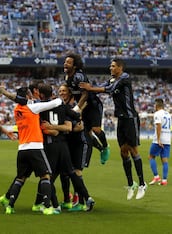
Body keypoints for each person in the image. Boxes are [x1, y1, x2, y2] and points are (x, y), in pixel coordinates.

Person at [79, 58, 147, 200]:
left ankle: (142, 184)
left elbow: (108, 89)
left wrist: (90, 88)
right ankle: (131, 184)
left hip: (130, 118)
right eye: (110, 65)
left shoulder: (124, 78)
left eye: (113, 66)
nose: (110, 68)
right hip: (121, 119)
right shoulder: (112, 80)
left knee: (133, 150)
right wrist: (86, 90)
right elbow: (100, 89)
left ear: (120, 68)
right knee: (123, 151)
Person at [0, 83, 62, 215]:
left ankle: (10, 206)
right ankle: (47, 207)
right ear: (26, 96)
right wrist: (55, 98)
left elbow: (20, 100)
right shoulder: (33, 108)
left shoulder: (17, 109)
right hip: (35, 147)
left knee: (20, 178)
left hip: (22, 149)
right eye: (29, 94)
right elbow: (56, 103)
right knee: (46, 176)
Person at [36, 83, 95, 212]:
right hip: (63, 145)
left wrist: (52, 128)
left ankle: (54, 205)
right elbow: (75, 116)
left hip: (50, 145)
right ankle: (87, 198)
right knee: (71, 173)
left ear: (40, 95)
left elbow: (44, 128)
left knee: (48, 177)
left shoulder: (39, 108)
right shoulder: (61, 105)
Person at [63, 52, 110, 164]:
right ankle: (101, 149)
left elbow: (85, 94)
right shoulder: (67, 77)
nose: (65, 64)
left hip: (93, 104)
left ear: (74, 66)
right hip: (83, 106)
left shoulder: (79, 76)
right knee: (86, 133)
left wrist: (77, 108)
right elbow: (74, 94)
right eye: (65, 62)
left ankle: (106, 146)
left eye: (68, 63)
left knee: (96, 129)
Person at [58, 83, 89, 208]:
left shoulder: (73, 107)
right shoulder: (61, 106)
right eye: (60, 91)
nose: (61, 93)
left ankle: (81, 202)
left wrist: (64, 128)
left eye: (64, 91)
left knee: (76, 172)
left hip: (79, 144)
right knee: (64, 172)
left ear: (70, 93)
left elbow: (79, 127)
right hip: (68, 144)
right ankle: (67, 200)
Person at [148, 98, 172, 186]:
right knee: (164, 160)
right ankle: (164, 180)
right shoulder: (168, 114)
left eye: (154, 105)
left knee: (151, 157)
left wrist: (158, 140)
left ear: (157, 105)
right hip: (167, 139)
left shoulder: (157, 114)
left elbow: (159, 126)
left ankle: (156, 176)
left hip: (159, 139)